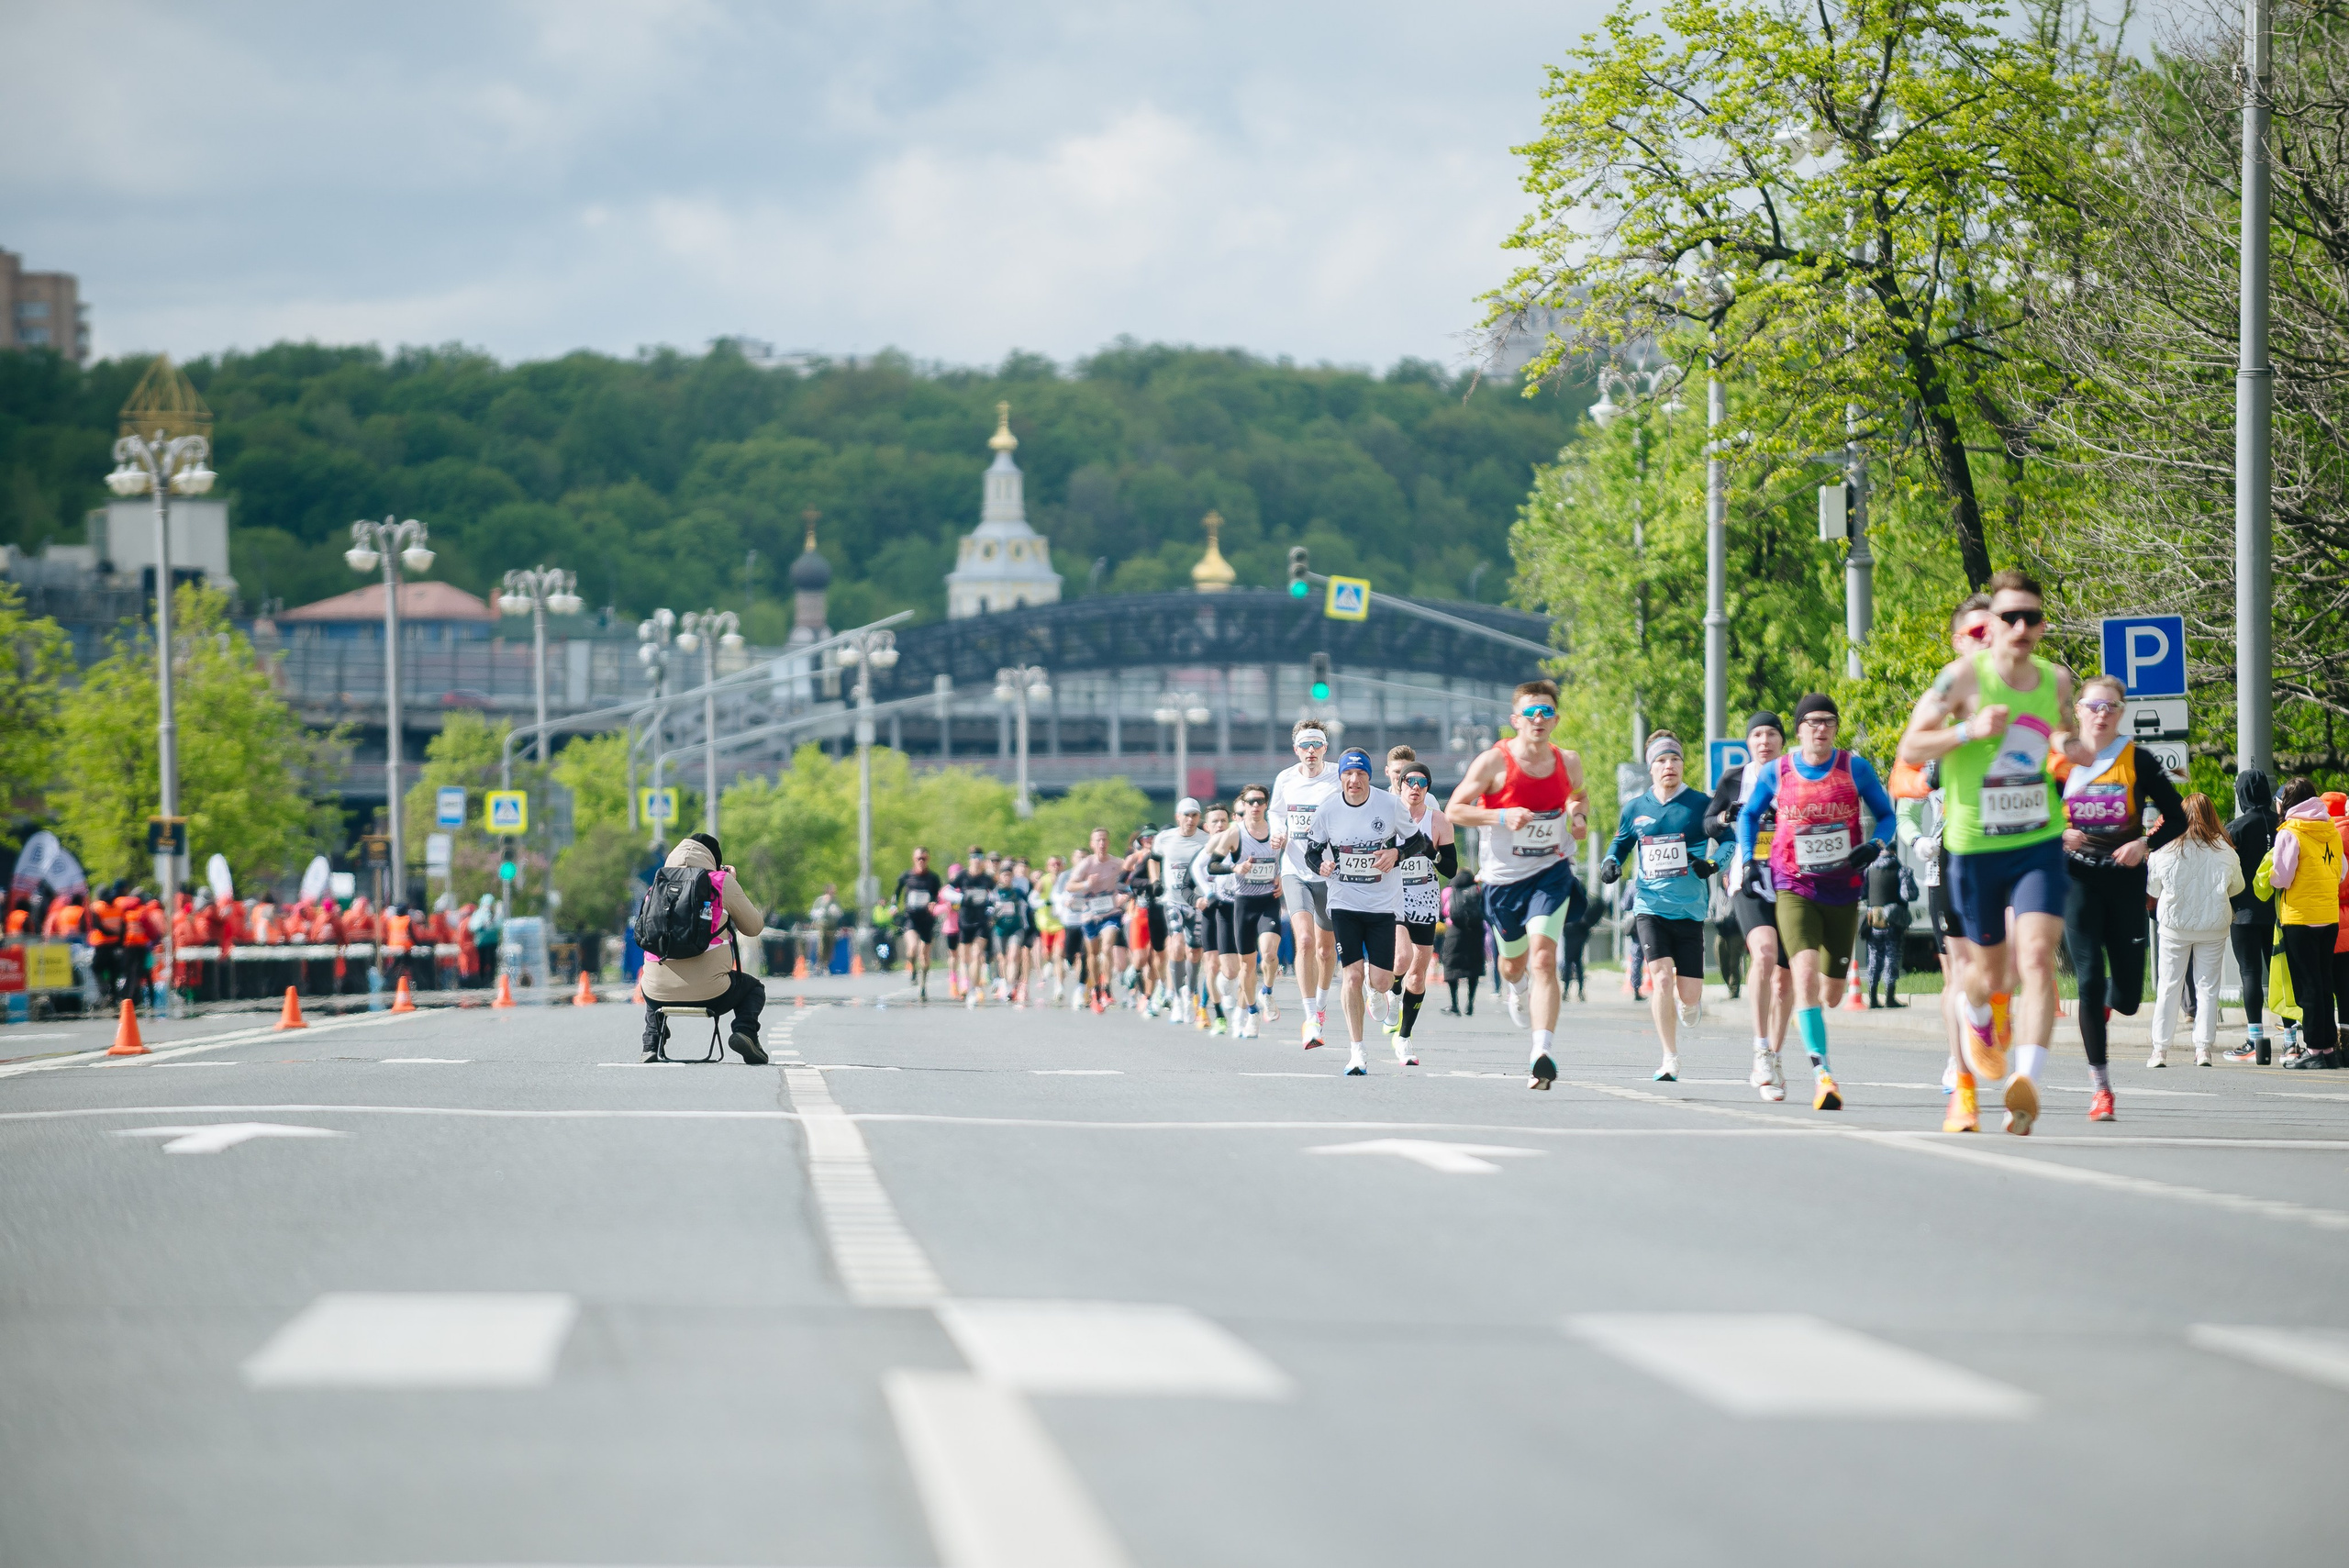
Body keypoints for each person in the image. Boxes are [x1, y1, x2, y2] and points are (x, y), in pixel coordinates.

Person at [1896, 568, 2095, 1136]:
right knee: (1986, 976)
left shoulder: (2055, 680)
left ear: (2042, 624)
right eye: (2011, 617)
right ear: (1993, 623)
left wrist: (2067, 745)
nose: (2022, 627)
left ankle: (2024, 1081)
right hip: (1974, 846)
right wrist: (1969, 732)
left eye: (2032, 617)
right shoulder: (1961, 678)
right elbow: (1910, 747)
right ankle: (1979, 1019)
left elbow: (2055, 729)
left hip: (2036, 840)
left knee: (2035, 959)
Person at [2049, 673, 2188, 1117]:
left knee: (2127, 998)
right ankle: (2101, 1088)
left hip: (2126, 883)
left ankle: (2107, 1009)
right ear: (2079, 712)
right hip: (2079, 882)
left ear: (2121, 712)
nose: (2101, 714)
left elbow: (2178, 818)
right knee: (2088, 981)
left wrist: (2144, 843)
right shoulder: (2059, 763)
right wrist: (2060, 832)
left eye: (2110, 706)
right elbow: (2034, 814)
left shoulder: (2139, 760)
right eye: (2093, 706)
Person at [1445, 679, 1590, 1089]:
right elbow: (1455, 809)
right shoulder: (1494, 762)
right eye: (1531, 712)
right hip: (1503, 880)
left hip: (1551, 872)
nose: (1539, 719)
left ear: (1556, 719)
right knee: (1513, 965)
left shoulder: (1569, 760)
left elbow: (1579, 797)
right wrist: (1501, 817)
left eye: (1546, 712)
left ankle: (1540, 1052)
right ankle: (1516, 987)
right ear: (1516, 720)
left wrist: (1578, 817)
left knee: (1544, 957)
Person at [1614, 731, 1723, 1084]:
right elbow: (1619, 845)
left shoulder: (1701, 804)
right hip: (1649, 906)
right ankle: (1669, 1058)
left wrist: (1712, 864)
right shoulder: (1635, 809)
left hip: (1690, 910)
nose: (1668, 766)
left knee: (1688, 996)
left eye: (1674, 759)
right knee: (1660, 978)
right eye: (1661, 760)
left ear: (1682, 764)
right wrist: (1609, 863)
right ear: (1651, 767)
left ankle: (1689, 1004)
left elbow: (1730, 841)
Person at [1300, 748, 1409, 1074]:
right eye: (1348, 774)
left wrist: (1396, 854)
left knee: (1381, 979)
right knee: (1352, 974)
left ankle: (1377, 991)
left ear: (1368, 777)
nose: (1354, 780)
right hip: (1344, 901)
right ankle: (1357, 1052)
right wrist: (1321, 865)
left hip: (1381, 904)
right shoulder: (1329, 809)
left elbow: (1419, 842)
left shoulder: (1389, 805)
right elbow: (1311, 851)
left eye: (1361, 774)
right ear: (1341, 777)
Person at [1704, 711, 1796, 1092]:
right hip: (1749, 879)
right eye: (1757, 734)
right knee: (1764, 954)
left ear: (1782, 741)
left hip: (1793, 880)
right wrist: (1727, 815)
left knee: (1785, 979)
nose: (1764, 741)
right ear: (1748, 742)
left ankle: (1774, 1055)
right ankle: (1759, 1048)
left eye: (1771, 734)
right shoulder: (1735, 779)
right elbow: (1708, 823)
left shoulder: (1797, 775)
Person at [639, 832, 769, 1064]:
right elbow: (754, 927)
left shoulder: (658, 883)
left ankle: (650, 1042)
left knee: (654, 978)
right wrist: (732, 884)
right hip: (713, 993)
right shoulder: (720, 881)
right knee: (753, 989)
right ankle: (744, 1032)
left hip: (656, 993)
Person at [2146, 794, 2245, 1068]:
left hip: (2174, 927)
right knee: (2208, 988)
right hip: (2213, 927)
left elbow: (2153, 889)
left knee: (2169, 986)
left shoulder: (2164, 850)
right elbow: (2237, 887)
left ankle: (2160, 1050)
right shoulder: (2226, 851)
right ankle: (2203, 1049)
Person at [2256, 777, 2349, 1069]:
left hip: (2299, 917)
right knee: (2323, 983)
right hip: (2328, 916)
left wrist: (2270, 878)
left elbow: (2282, 877)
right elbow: (2342, 872)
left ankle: (2313, 1050)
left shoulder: (2289, 832)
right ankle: (2328, 1049)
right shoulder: (2330, 830)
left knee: (2306, 984)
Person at [1269, 720, 1344, 1045]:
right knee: (1304, 942)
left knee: (1326, 952)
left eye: (1317, 744)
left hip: (1328, 872)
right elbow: (1275, 812)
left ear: (1325, 748)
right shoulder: (1285, 778)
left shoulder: (1339, 777)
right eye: (1305, 745)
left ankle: (1323, 1005)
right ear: (1296, 749)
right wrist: (1278, 831)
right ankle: (1310, 1017)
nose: (1311, 751)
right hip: (1295, 870)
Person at [1389, 762, 1459, 1055]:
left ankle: (1404, 1037)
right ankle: (1392, 989)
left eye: (1421, 782)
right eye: (1409, 781)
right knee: (1401, 957)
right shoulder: (1387, 817)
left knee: (1418, 972)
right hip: (1393, 895)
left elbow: (1452, 869)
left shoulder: (1439, 821)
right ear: (1400, 785)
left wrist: (1432, 852)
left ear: (1427, 788)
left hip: (1425, 896)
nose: (1415, 787)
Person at [2220, 773, 2279, 1062]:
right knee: (2282, 975)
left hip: (2243, 911)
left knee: (2250, 973)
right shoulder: (2283, 825)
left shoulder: (2236, 828)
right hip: (2279, 911)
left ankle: (2255, 1040)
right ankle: (2291, 1038)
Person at [1153, 798, 1212, 1024]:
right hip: (1173, 900)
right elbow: (1153, 858)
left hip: (1197, 901)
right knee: (1176, 944)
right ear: (1178, 817)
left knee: (1195, 952)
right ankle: (1177, 996)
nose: (1190, 820)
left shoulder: (1205, 840)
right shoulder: (1165, 838)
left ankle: (1190, 991)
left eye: (1194, 815)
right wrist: (1155, 880)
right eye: (1186, 815)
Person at [1066, 828, 1126, 1013]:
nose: (1102, 843)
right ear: (1092, 844)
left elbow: (1129, 880)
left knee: (1107, 946)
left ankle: (1107, 987)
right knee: (1092, 954)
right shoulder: (1086, 864)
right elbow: (1070, 886)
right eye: (1098, 840)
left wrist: (1124, 895)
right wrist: (1087, 884)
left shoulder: (1117, 863)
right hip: (1090, 913)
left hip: (1111, 911)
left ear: (1108, 843)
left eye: (1104, 840)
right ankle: (1095, 989)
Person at [1861, 852, 1916, 1008]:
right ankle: (1890, 997)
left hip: (1874, 918)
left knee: (1873, 956)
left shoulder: (1869, 870)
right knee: (1891, 957)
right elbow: (1909, 895)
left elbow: (1862, 894)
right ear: (1894, 853)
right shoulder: (1901, 870)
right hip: (1894, 919)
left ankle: (1872, 998)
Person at [895, 847, 944, 1001]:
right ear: (914, 859)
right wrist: (893, 906)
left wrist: (934, 903)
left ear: (928, 859)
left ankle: (923, 986)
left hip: (927, 920)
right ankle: (912, 970)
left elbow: (939, 896)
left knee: (925, 954)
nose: (921, 861)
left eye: (924, 858)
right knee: (912, 949)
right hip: (911, 918)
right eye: (918, 858)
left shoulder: (933, 878)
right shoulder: (906, 876)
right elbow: (896, 893)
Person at [1442, 870, 1485, 1014]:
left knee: (1452, 966)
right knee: (1474, 968)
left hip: (1454, 931)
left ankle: (1454, 1004)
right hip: (1475, 931)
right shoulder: (1477, 890)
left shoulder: (1448, 891)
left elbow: (1444, 911)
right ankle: (1470, 1004)